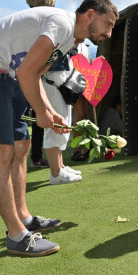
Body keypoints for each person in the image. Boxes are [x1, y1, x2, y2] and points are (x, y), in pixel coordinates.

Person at [0, 0, 118, 256]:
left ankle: (24, 217)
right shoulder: (63, 24)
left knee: (21, 145)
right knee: (2, 150)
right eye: (108, 24)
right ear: (90, 15)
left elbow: (38, 73)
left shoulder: (70, 39)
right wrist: (42, 113)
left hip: (6, 75)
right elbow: (26, 72)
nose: (110, 33)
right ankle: (16, 235)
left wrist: (50, 111)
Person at [42, 43, 86, 185]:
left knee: (63, 125)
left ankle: (60, 167)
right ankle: (56, 174)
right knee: (56, 127)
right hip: (52, 80)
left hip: (61, 79)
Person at [26, 0, 56, 169]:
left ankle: (35, 157)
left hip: (28, 75)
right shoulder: (40, 24)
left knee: (33, 120)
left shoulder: (27, 21)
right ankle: (35, 157)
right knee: (36, 118)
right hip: (30, 76)